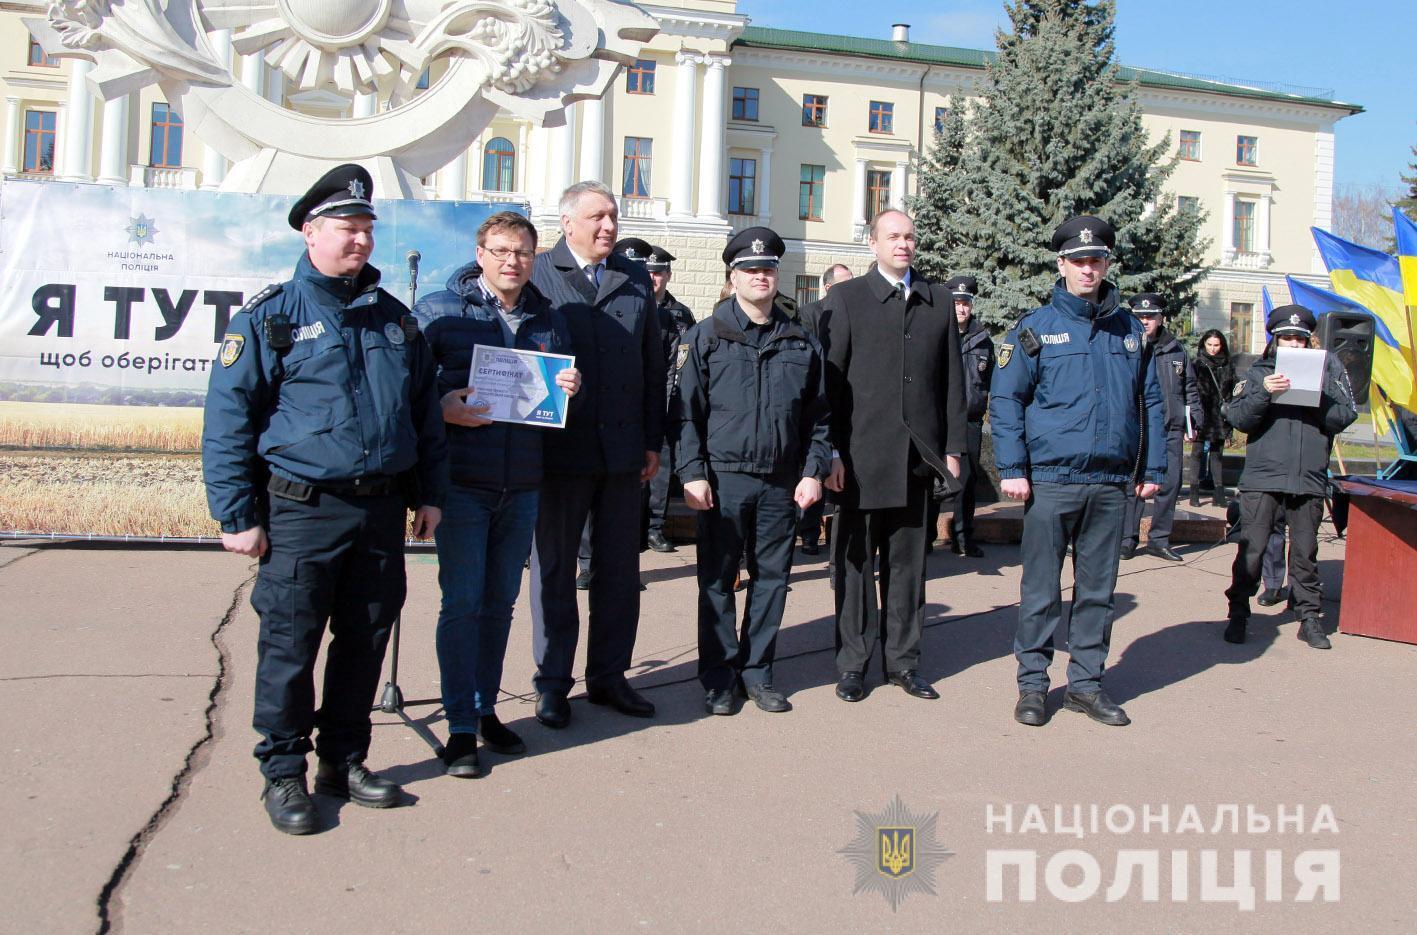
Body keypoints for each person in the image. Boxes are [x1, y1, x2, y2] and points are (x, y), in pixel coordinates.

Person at [202, 163, 448, 834]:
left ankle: (344, 759)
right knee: (290, 643)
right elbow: (229, 417)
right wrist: (236, 514)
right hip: (300, 510)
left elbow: (423, 414)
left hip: (377, 511)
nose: (361, 241)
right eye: (347, 228)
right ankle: (284, 772)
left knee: (364, 640)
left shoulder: (395, 322)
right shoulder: (270, 318)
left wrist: (429, 494)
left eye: (367, 228)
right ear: (310, 232)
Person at [413, 212, 581, 778]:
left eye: (524, 253)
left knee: (500, 605)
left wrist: (567, 390)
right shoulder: (439, 312)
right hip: (462, 485)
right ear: (481, 253)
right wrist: (442, 410)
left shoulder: (548, 320)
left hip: (523, 484)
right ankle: (459, 727)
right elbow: (410, 393)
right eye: (503, 251)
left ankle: (485, 710)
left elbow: (553, 403)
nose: (513, 261)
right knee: (461, 605)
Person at [991, 215, 1165, 728]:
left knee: (1097, 592)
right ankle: (1032, 686)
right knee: (1041, 592)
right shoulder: (1035, 328)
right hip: (1049, 481)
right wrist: (1012, 467)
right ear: (1062, 264)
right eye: (1079, 261)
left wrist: (1151, 467)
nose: (1089, 269)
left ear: (1108, 264)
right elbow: (1006, 399)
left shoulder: (1130, 331)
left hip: (1110, 484)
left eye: (1098, 260)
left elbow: (1150, 401)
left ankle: (1086, 685)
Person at [675, 227, 832, 715]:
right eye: (750, 269)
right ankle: (719, 678)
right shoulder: (706, 336)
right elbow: (685, 413)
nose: (760, 276)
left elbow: (820, 419)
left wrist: (813, 472)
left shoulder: (800, 341)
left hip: (782, 482)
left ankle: (758, 672)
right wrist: (691, 472)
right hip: (723, 480)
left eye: (767, 269)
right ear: (733, 276)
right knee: (718, 582)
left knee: (772, 580)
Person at [527, 180, 666, 728]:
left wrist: (652, 441)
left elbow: (653, 366)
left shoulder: (632, 278)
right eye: (597, 217)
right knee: (556, 574)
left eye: (613, 216)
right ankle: (553, 684)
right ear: (567, 223)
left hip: (621, 455)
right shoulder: (539, 274)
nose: (609, 226)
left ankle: (609, 676)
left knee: (618, 574)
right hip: (559, 455)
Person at [821, 209, 967, 703]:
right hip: (860, 463)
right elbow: (831, 386)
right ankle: (854, 664)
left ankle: (904, 663)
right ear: (872, 243)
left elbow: (952, 381)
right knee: (856, 567)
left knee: (909, 569)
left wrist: (952, 450)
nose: (902, 244)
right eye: (892, 236)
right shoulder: (846, 299)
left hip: (917, 462)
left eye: (908, 237)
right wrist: (833, 453)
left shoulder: (938, 300)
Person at [1222, 304, 1356, 648]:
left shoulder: (1328, 371)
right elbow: (1239, 419)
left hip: (1308, 477)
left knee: (1306, 552)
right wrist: (1264, 393)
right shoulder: (1258, 372)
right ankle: (1238, 612)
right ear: (1276, 342)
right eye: (1286, 339)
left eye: (1299, 339)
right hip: (1263, 478)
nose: (1294, 345)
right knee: (1252, 551)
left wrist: (1319, 395)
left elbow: (1345, 416)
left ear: (1307, 342)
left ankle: (1309, 618)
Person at [1121, 293, 1198, 562]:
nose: (1145, 321)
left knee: (1170, 485)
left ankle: (1159, 540)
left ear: (1160, 318)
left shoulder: (1176, 350)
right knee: (1134, 487)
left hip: (1171, 428)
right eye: (1140, 316)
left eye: (1150, 316)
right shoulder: (1128, 346)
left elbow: (1190, 388)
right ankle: (1126, 540)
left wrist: (1194, 420)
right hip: (1139, 428)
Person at [641, 242, 697, 553]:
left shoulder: (680, 314)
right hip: (638, 400)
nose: (653, 278)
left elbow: (685, 362)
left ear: (668, 275)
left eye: (659, 273)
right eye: (648, 272)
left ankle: (655, 527)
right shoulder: (633, 306)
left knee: (661, 469)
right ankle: (635, 527)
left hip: (667, 400)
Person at [795, 263, 853, 556]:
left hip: (848, 402)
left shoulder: (857, 314)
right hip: (819, 398)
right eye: (845, 284)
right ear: (829, 288)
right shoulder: (810, 315)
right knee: (815, 464)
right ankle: (808, 531)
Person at [943, 275, 993, 557]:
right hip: (939, 417)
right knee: (932, 478)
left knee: (967, 480)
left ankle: (963, 537)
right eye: (957, 303)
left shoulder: (982, 340)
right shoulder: (937, 333)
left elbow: (991, 380)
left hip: (970, 419)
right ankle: (925, 536)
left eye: (966, 303)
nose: (961, 309)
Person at [1190, 329, 1235, 507]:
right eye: (1209, 345)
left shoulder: (1227, 364)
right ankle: (1194, 492)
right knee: (1197, 452)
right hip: (1202, 412)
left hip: (1220, 414)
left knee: (1217, 454)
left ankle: (1219, 492)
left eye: (1216, 345)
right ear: (1203, 344)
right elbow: (1191, 390)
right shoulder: (1197, 364)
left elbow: (1231, 390)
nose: (1213, 349)